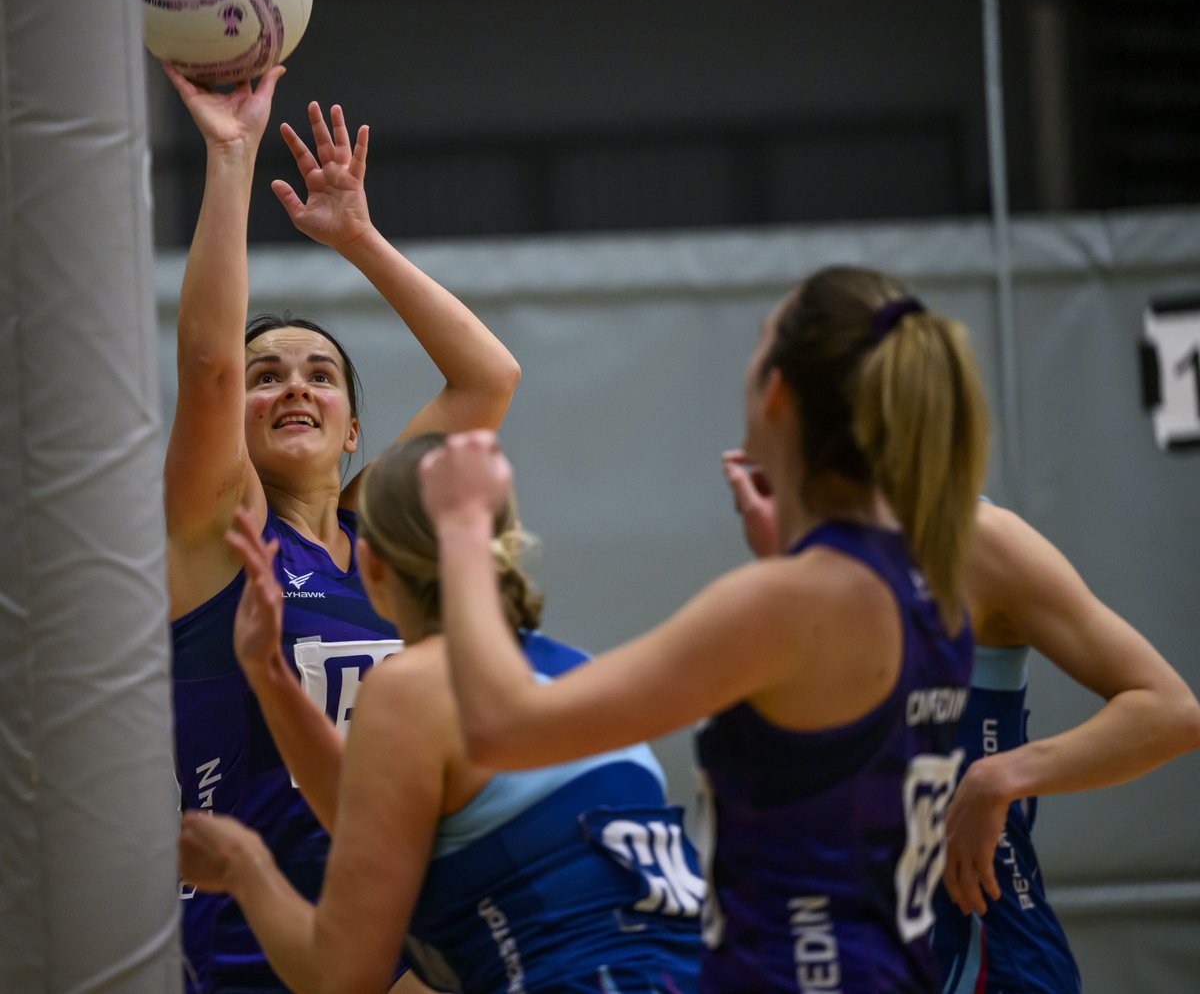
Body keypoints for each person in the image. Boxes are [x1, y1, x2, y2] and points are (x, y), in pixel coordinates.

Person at [419, 265, 993, 993]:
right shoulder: (928, 570)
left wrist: (464, 525)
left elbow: (503, 728)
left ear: (778, 393)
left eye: (757, 350)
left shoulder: (791, 603)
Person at [162, 63, 522, 993]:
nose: (291, 386)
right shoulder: (222, 534)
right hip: (259, 948)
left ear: (353, 428)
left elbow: (487, 378)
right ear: (233, 420)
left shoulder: (381, 539)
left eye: (319, 374)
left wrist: (359, 237)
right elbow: (207, 364)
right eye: (267, 375)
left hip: (401, 937)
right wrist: (232, 155)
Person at [177, 433, 705, 994]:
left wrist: (245, 866)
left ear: (370, 567)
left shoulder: (412, 684)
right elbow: (373, 819)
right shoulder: (574, 670)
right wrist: (270, 676)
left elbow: (342, 976)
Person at [722, 440, 1200, 993]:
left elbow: (1170, 711)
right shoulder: (813, 565)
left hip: (990, 962)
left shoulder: (977, 539)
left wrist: (1000, 777)